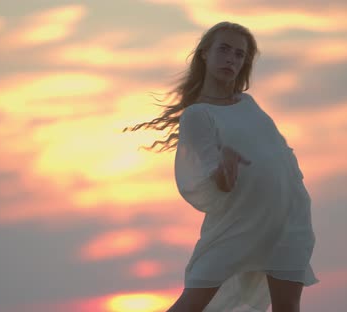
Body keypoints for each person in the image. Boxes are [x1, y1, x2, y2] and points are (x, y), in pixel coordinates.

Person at [123, 21, 318, 312]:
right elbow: (217, 183)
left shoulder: (248, 103)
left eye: (240, 54)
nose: (231, 58)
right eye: (224, 49)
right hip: (237, 224)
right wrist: (226, 167)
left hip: (286, 218)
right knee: (193, 302)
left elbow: (280, 157)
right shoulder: (197, 115)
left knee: (287, 306)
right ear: (204, 53)